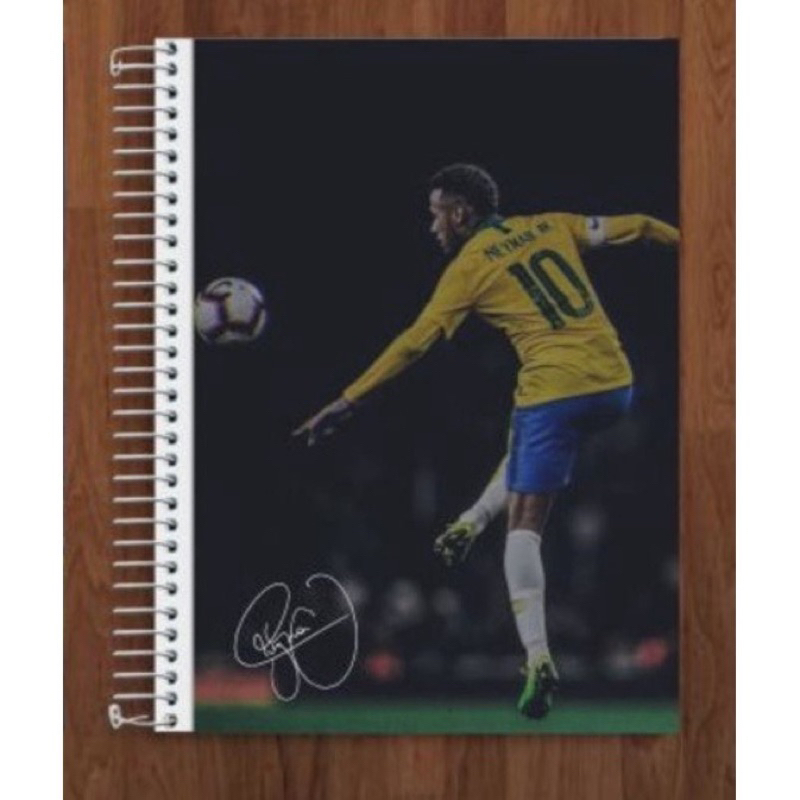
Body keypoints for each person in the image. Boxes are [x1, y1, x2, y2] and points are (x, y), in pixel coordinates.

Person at [293, 163, 679, 718]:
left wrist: (347, 400)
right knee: (523, 437)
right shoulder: (551, 224)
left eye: (436, 215)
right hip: (616, 383)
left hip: (555, 388)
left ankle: (538, 658)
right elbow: (640, 224)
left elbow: (414, 343)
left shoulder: (469, 268)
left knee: (523, 530)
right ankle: (471, 519)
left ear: (460, 213)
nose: (432, 227)